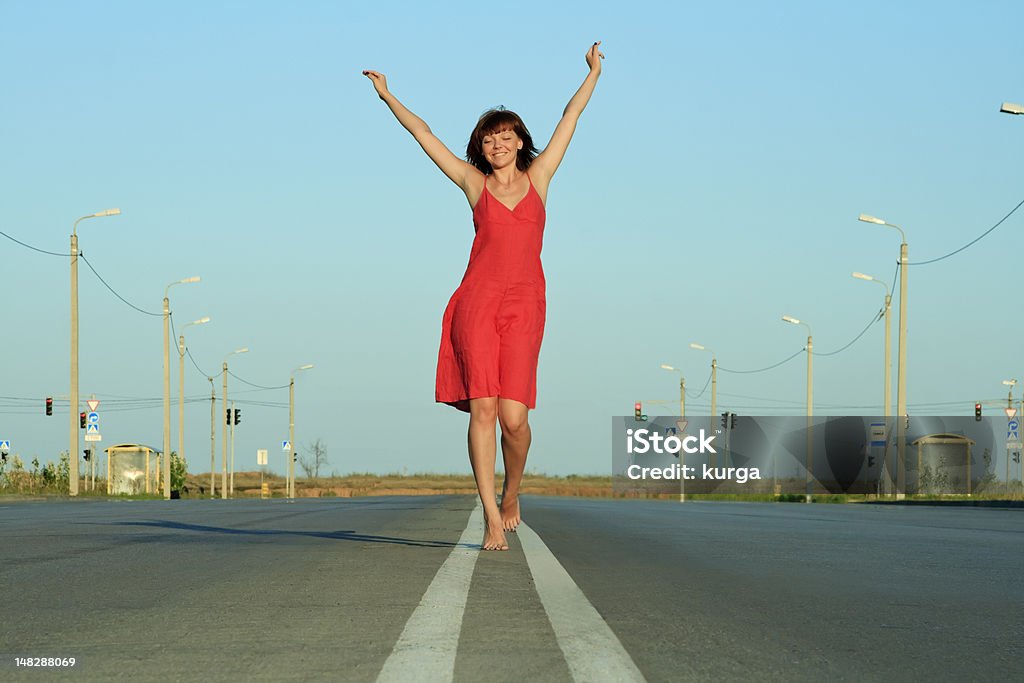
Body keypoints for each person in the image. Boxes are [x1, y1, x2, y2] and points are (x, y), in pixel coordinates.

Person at [363, 42, 604, 551]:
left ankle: (513, 492)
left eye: (505, 136)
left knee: (516, 420)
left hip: (525, 305)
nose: (497, 145)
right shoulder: (474, 184)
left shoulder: (540, 179)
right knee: (485, 412)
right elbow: (424, 135)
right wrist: (389, 97)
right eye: (489, 139)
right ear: (482, 147)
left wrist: (593, 72)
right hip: (477, 303)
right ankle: (490, 514)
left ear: (520, 141)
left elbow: (571, 116)